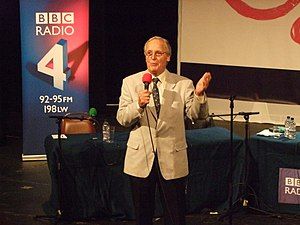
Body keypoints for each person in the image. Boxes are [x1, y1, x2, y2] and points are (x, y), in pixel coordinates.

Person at [116, 36, 211, 225]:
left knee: (175, 215)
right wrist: (138, 105)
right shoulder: (130, 82)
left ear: (168, 57)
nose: (152, 58)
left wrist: (199, 95)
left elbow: (196, 116)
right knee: (143, 216)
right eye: (149, 53)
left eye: (158, 53)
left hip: (172, 157)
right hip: (141, 158)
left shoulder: (183, 84)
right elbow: (122, 119)